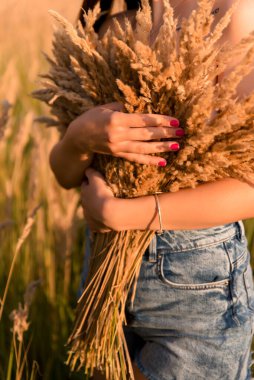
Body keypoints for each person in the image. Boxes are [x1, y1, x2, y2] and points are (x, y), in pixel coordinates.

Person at [49, 0, 254, 379]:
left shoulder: (231, 14)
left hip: (196, 289)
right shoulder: (112, 21)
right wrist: (79, 138)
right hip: (104, 273)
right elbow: (65, 176)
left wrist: (123, 214)